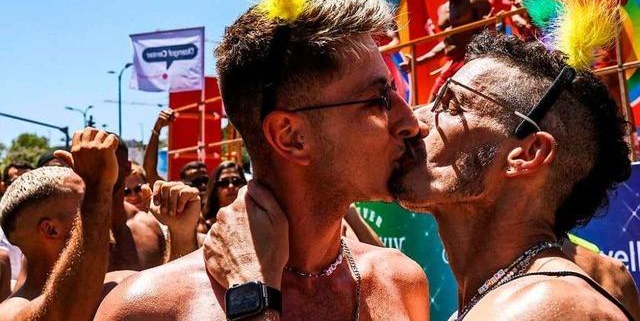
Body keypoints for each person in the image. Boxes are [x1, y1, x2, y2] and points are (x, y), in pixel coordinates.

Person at [206, 32, 639, 320]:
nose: (414, 120)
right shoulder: (505, 299)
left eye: (451, 104)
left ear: (526, 154)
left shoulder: (543, 309)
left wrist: (252, 291)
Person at [95, 0, 430, 320]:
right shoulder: (146, 310)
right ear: (291, 137)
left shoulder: (400, 282)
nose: (410, 121)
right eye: (379, 99)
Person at [0, 130, 120, 320]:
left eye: (92, 202)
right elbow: (63, 314)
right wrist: (97, 189)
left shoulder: (113, 284)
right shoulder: (10, 312)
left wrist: (179, 232)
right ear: (51, 229)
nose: (100, 212)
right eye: (85, 204)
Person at [109, 137, 200, 271]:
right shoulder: (70, 225)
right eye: (127, 192)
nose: (134, 195)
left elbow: (173, 283)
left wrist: (181, 233)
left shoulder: (152, 226)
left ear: (126, 167)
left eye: (138, 189)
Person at [412, 0, 491, 100]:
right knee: (432, 105)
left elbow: (490, 35)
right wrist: (418, 61)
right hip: (451, 65)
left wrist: (490, 25)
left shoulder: (476, 0)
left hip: (472, 60)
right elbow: (447, 42)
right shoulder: (442, 10)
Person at [199, 160, 247, 233]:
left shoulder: (255, 220)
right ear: (215, 189)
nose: (231, 186)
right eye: (224, 182)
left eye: (236, 181)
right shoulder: (205, 227)